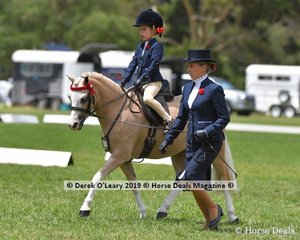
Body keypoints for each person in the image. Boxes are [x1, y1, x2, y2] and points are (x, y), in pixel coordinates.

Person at [159, 49, 230, 230]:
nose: (189, 69)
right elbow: (182, 118)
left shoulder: (214, 89)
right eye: (188, 66)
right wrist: (169, 138)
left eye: (192, 66)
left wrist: (206, 132)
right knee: (194, 183)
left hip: (210, 142)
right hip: (191, 141)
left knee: (188, 177)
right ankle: (209, 222)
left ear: (204, 67)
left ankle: (215, 209)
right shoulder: (187, 88)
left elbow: (224, 118)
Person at [121, 9, 172, 133]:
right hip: (141, 82)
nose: (141, 32)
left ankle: (168, 120)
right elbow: (133, 64)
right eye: (140, 29)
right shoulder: (140, 47)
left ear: (154, 30)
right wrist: (124, 80)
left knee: (147, 99)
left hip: (153, 82)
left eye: (144, 29)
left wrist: (141, 78)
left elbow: (153, 65)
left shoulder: (157, 46)